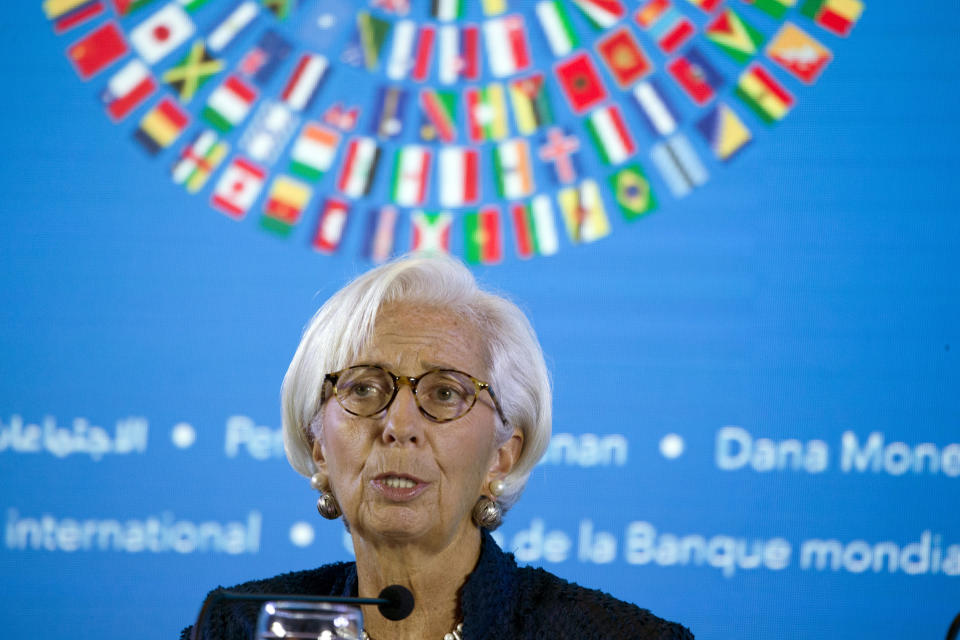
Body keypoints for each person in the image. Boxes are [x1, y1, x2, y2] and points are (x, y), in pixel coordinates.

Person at [183, 254, 693, 640]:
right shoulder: (237, 626)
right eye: (363, 388)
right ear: (318, 446)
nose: (398, 426)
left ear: (502, 456)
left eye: (445, 393)